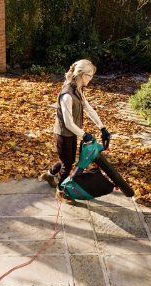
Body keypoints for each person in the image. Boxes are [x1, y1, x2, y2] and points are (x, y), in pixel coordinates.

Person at [39, 59, 110, 203]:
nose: (91, 79)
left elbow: (88, 108)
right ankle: (61, 191)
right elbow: (68, 123)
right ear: (82, 75)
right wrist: (84, 134)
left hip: (72, 133)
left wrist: (102, 127)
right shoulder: (67, 95)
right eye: (90, 76)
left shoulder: (78, 90)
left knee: (68, 160)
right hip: (63, 134)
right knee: (67, 164)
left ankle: (49, 175)